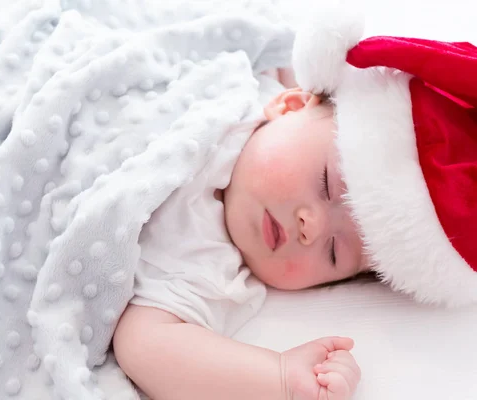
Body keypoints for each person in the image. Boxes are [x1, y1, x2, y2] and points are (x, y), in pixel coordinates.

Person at [114, 8, 477, 400]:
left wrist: (281, 377)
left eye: (335, 252)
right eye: (325, 184)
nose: (313, 228)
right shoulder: (244, 80)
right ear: (289, 105)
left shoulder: (205, 262)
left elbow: (143, 343)